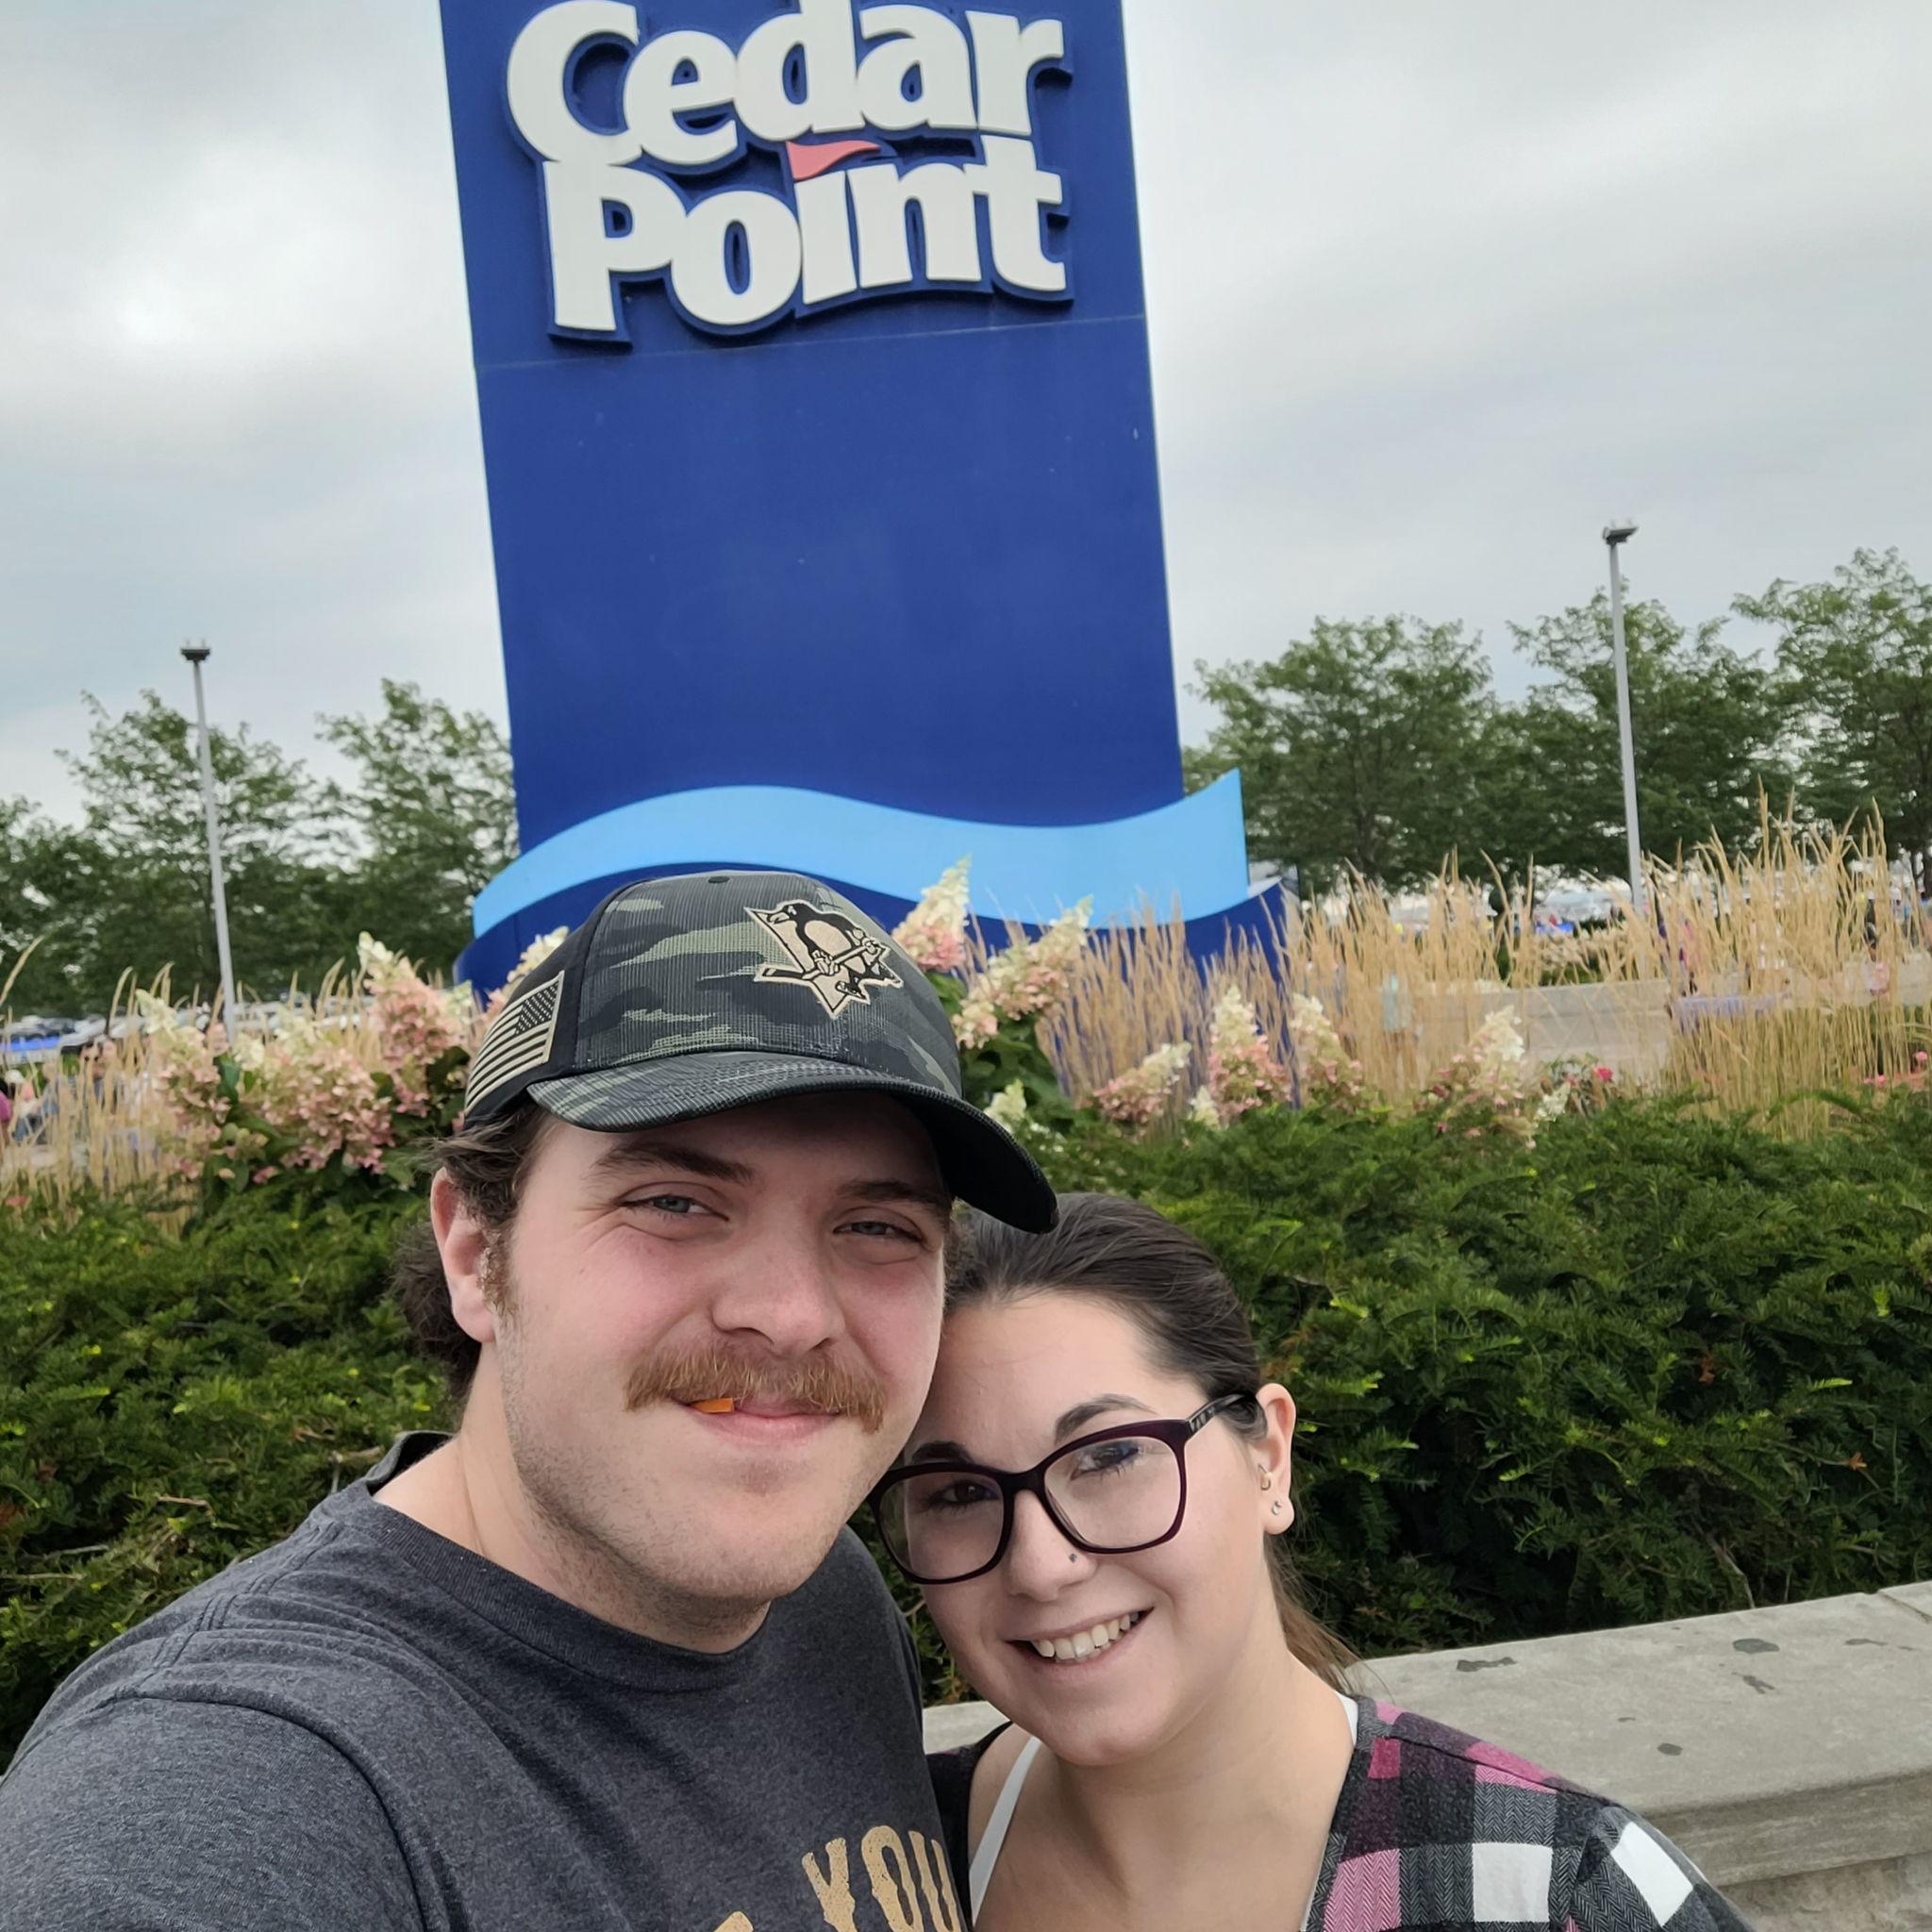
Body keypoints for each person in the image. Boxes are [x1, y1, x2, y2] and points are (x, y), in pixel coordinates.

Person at [0, 869, 1054, 1931]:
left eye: (876, 1226)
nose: (788, 1313)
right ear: (473, 1247)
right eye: (675, 1201)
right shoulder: (224, 1795)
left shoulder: (823, 1599)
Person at [883, 1193, 1754, 1931]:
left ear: (1269, 1456)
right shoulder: (884, 1871)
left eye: (1110, 1456)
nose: (1041, 1565)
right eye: (958, 1494)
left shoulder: (1552, 1891)